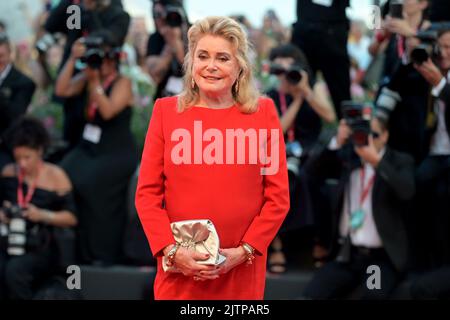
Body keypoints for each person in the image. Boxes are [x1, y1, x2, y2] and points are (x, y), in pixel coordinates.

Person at [135, 16, 290, 300]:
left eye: (223, 58)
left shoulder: (264, 114)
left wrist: (244, 252)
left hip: (241, 272)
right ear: (191, 62)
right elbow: (147, 195)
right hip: (180, 273)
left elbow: (277, 198)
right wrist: (172, 251)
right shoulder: (166, 112)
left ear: (240, 66)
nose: (211, 66)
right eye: (203, 56)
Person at [303, 116, 415, 299]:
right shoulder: (348, 158)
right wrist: (338, 141)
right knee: (310, 295)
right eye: (363, 135)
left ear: (385, 135)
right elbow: (311, 172)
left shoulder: (399, 161)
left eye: (374, 135)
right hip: (347, 256)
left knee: (371, 295)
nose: (367, 141)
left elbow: (406, 191)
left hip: (378, 260)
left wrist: (376, 162)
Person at [57, 30, 138, 265]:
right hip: (89, 148)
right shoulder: (88, 76)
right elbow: (61, 90)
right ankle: (74, 246)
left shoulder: (123, 82)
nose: (99, 64)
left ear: (113, 60)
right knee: (64, 174)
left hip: (116, 151)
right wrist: (73, 60)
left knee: (92, 185)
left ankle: (102, 253)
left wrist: (94, 83)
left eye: (102, 59)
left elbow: (108, 110)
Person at [265, 44, 335, 273]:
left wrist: (305, 91)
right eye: (281, 71)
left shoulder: (313, 89)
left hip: (311, 149)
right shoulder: (272, 97)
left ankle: (319, 240)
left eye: (290, 70)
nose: (286, 77)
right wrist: (294, 100)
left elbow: (330, 116)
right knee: (273, 176)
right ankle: (277, 245)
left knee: (309, 175)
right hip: (281, 150)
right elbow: (277, 130)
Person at [0, 117, 77, 300]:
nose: (22, 164)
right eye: (18, 158)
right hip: (10, 240)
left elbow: (72, 217)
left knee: (15, 271)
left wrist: (42, 215)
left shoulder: (56, 176)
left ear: (40, 151)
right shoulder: (9, 173)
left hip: (42, 244)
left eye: (27, 157)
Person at [45, 0, 130, 151]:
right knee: (72, 132)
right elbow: (52, 26)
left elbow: (106, 40)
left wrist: (92, 10)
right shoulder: (76, 11)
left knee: (102, 124)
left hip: (103, 77)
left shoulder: (117, 13)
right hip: (76, 77)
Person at [413, 28, 450, 270]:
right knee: (414, 187)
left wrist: (441, 86)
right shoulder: (429, 69)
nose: (444, 53)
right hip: (434, 152)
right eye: (442, 47)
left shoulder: (437, 78)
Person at [291, 0, 351, 118]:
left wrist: (377, 26)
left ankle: (348, 133)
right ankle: (300, 134)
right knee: (297, 87)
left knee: (342, 99)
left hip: (333, 31)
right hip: (305, 31)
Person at [0, 33, 36, 171]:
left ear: (9, 54)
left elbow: (15, 115)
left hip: (5, 146)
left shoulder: (23, 83)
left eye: (1, 56)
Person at [145, 0, 189, 100]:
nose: (161, 19)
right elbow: (155, 75)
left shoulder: (194, 32)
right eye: (157, 15)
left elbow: (194, 70)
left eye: (167, 14)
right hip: (166, 99)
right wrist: (170, 44)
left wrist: (176, 43)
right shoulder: (155, 38)